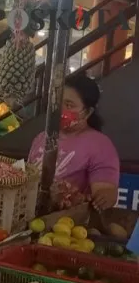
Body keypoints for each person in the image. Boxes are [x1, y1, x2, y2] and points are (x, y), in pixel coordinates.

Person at [28, 74, 119, 210]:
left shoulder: (100, 145)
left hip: (66, 223)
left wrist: (105, 196)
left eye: (69, 105)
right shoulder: (41, 138)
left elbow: (105, 192)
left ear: (87, 112)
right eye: (58, 102)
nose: (60, 110)